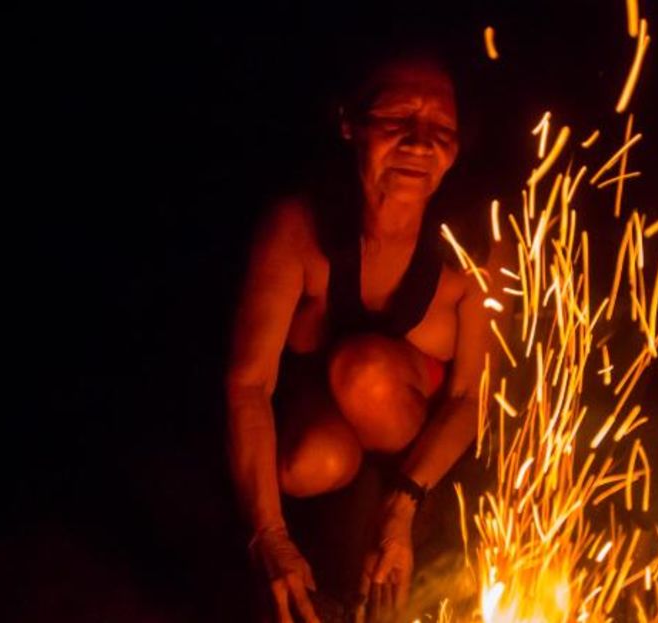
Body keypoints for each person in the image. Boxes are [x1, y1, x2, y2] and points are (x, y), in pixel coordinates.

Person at [225, 54, 505, 623]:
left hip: (412, 448)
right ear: (349, 122)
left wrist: (404, 506)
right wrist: (270, 539)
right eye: (398, 119)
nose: (420, 143)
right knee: (307, 462)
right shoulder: (301, 227)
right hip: (327, 428)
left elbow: (471, 397)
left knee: (367, 373)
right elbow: (249, 382)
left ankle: (398, 528)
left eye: (441, 130)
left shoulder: (474, 247)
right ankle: (331, 546)